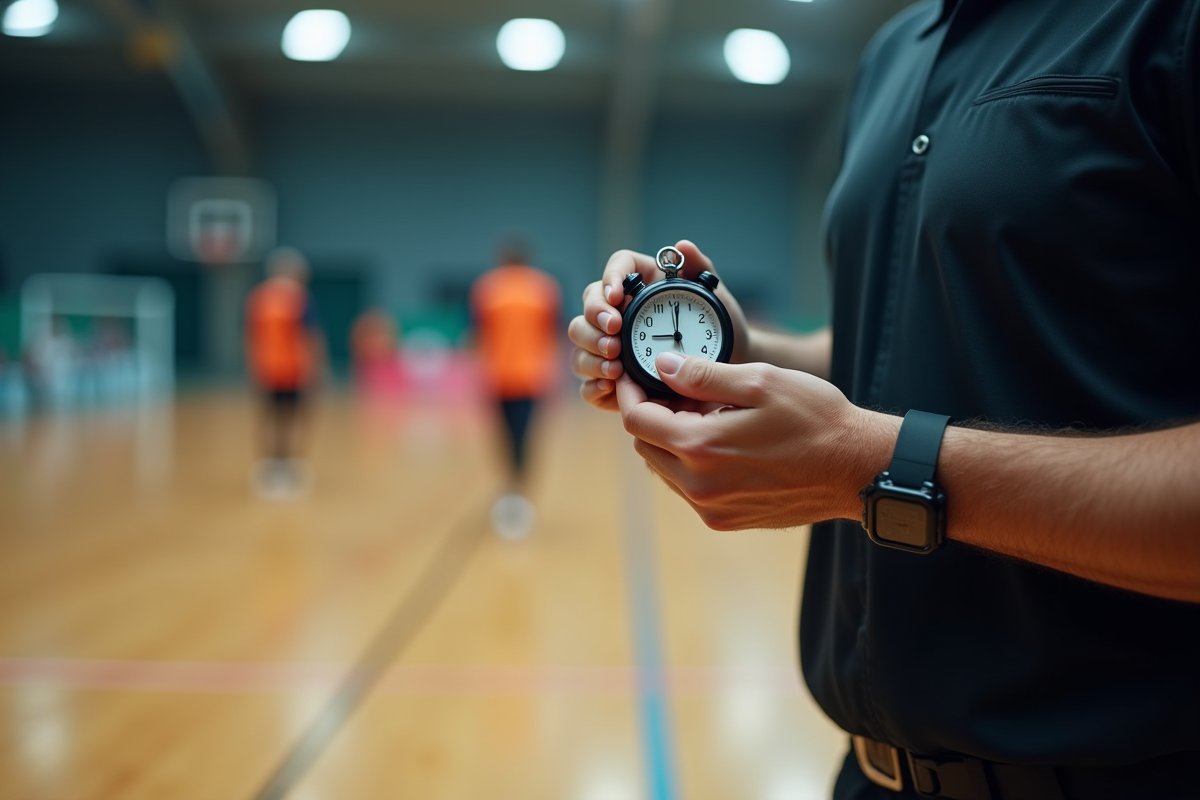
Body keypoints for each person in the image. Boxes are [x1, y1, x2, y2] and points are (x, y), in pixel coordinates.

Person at [568, 1, 1200, 798]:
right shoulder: (893, 52)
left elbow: (879, 439)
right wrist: (740, 351)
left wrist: (874, 469)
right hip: (870, 773)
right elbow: (903, 340)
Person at [470, 241, 562, 539]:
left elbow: (476, 333)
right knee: (524, 439)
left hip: (498, 376)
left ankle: (512, 495)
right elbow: (555, 332)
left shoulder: (487, 288)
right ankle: (518, 498)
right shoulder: (545, 288)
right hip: (531, 377)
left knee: (505, 438)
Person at [244, 247, 326, 499]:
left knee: (268, 419)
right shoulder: (299, 298)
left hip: (266, 369)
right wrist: (317, 369)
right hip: (294, 369)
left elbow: (249, 337)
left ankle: (268, 469)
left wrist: (253, 366)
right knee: (294, 420)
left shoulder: (258, 297)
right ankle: (292, 467)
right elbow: (309, 337)